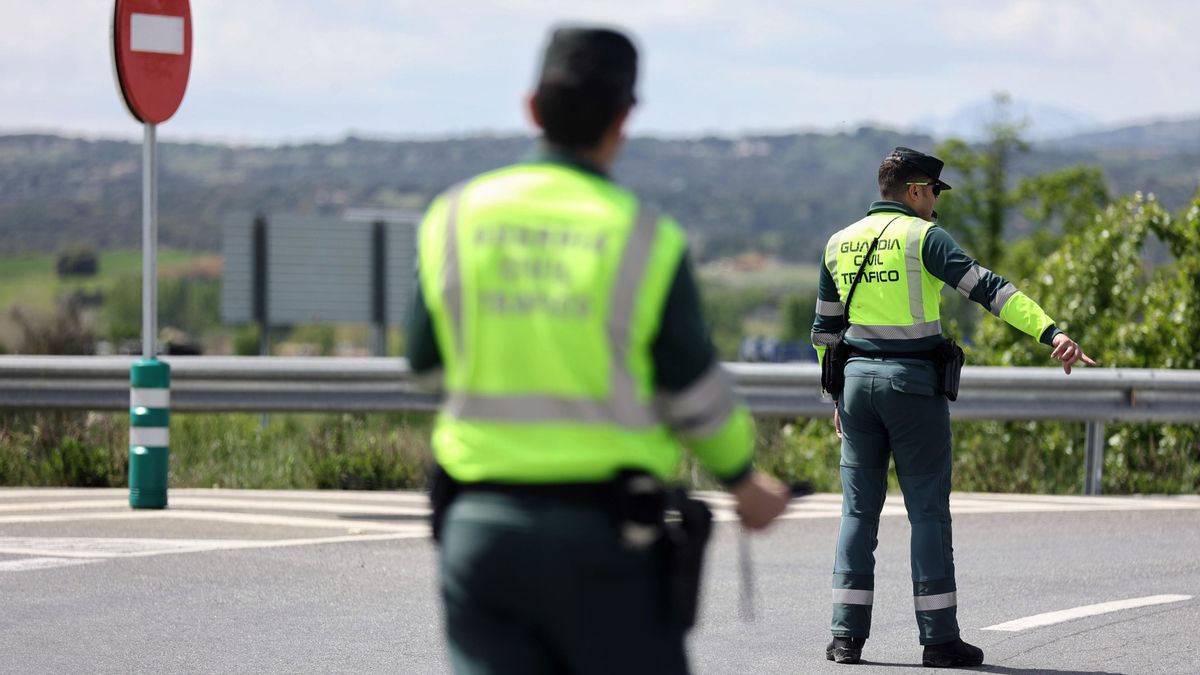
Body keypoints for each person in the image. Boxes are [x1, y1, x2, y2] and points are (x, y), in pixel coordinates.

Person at [407, 26, 792, 675]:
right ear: (624, 118)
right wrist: (743, 480)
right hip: (605, 542)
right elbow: (693, 392)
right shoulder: (645, 237)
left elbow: (425, 365)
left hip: (480, 531)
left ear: (532, 107)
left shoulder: (455, 215)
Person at [810, 147, 1096, 668]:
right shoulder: (925, 238)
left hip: (854, 388)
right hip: (911, 389)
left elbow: (825, 333)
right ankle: (939, 640)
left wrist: (835, 397)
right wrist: (1051, 332)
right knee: (927, 514)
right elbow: (989, 289)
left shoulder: (838, 243)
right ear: (916, 190)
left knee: (857, 513)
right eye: (934, 193)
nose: (935, 205)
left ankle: (845, 638)